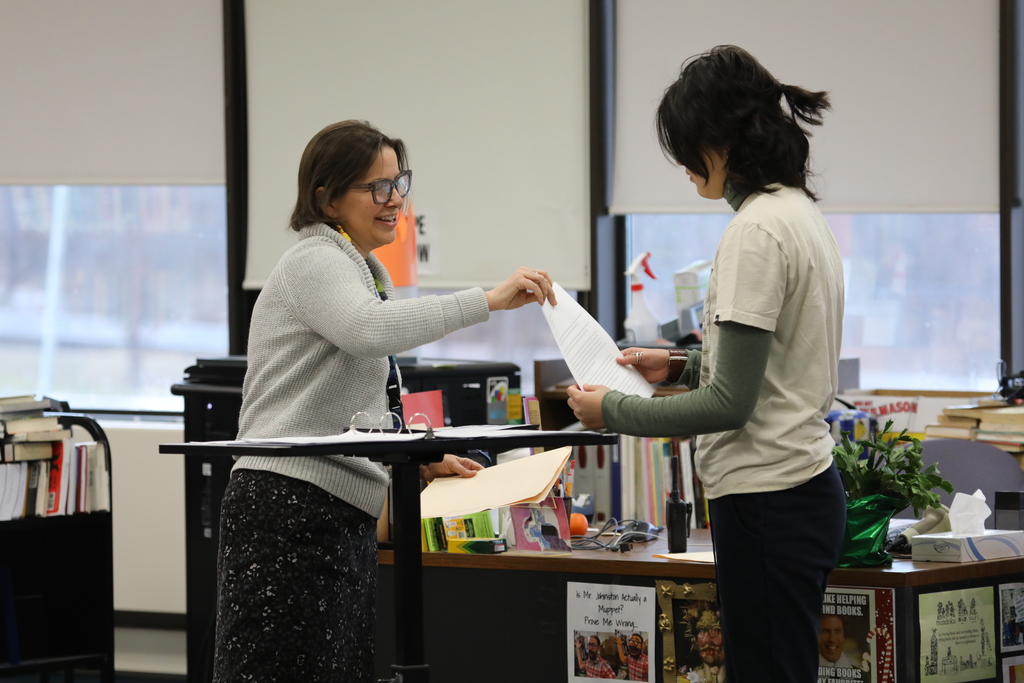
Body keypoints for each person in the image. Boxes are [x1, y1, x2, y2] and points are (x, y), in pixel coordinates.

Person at [214, 119, 556, 682]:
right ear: (327, 199)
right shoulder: (315, 260)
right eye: (377, 187)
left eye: (399, 183)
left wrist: (415, 458)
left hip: (333, 509)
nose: (395, 199)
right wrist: (487, 301)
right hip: (289, 507)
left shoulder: (358, 269)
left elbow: (346, 403)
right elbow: (368, 331)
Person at [566, 45, 847, 682]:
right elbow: (774, 367)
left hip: (769, 497)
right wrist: (677, 365)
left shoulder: (755, 233)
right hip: (800, 490)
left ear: (724, 140)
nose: (684, 166)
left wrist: (613, 410)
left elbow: (731, 403)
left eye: (689, 147)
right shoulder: (798, 213)